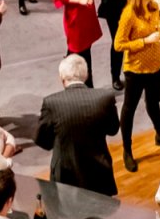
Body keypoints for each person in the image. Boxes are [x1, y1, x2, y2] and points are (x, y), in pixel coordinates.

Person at [35, 54, 120, 195]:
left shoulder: (51, 103)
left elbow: (43, 141)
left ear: (62, 79)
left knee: (67, 216)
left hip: (66, 176)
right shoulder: (105, 98)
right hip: (99, 173)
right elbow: (113, 129)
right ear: (86, 75)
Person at [114, 0, 160, 172]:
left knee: (153, 103)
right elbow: (118, 44)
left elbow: (159, 37)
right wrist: (144, 42)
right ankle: (127, 150)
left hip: (155, 67)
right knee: (129, 108)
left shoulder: (154, 7)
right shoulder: (129, 13)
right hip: (135, 69)